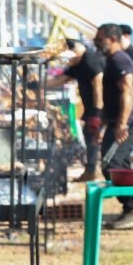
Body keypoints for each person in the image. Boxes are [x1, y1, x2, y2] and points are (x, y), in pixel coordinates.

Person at [95, 23, 133, 230]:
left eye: (100, 39)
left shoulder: (119, 60)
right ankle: (131, 210)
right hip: (117, 121)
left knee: (110, 163)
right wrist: (105, 123)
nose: (96, 43)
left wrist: (122, 123)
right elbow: (112, 97)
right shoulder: (112, 61)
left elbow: (128, 92)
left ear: (112, 39)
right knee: (120, 165)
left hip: (126, 122)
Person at [50, 39, 104, 181]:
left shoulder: (90, 61)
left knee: (94, 137)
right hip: (91, 107)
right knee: (89, 135)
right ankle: (91, 169)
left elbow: (99, 85)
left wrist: (97, 113)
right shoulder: (78, 63)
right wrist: (36, 84)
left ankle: (96, 171)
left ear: (75, 50)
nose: (66, 62)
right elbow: (61, 79)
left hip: (100, 107)